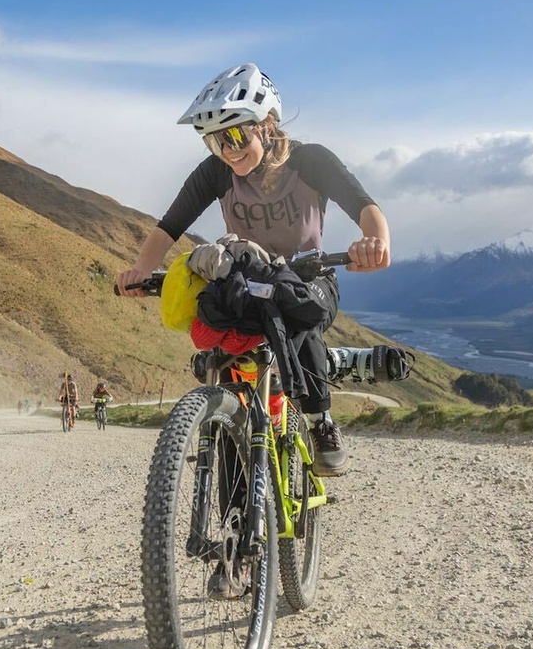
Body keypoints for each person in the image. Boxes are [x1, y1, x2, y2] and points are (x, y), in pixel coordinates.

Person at [116, 63, 390, 477]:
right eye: (215, 141)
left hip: (309, 280)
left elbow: (365, 206)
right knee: (217, 333)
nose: (228, 149)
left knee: (296, 314)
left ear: (268, 125)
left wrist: (375, 242)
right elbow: (170, 226)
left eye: (236, 134)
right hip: (250, 281)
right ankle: (232, 462)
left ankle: (321, 422)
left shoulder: (310, 161)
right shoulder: (217, 173)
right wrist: (140, 270)